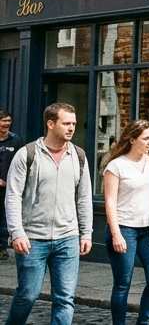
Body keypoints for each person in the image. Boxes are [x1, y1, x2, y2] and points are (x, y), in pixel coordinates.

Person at [5, 103, 93, 325]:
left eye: (73, 123)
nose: (71, 128)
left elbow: (84, 198)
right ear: (50, 123)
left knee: (65, 299)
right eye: (66, 123)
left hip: (68, 238)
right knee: (28, 295)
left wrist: (86, 233)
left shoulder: (79, 156)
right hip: (33, 238)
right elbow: (13, 196)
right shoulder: (27, 154)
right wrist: (17, 233)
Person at [101, 120, 149, 325]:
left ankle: (144, 321)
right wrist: (116, 234)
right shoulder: (116, 166)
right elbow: (110, 202)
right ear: (132, 139)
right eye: (145, 138)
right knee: (123, 283)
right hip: (124, 228)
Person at [0, 110, 19, 261]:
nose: (6, 123)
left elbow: (21, 162)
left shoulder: (16, 140)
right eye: (3, 120)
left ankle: (3, 247)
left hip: (10, 186)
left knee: (7, 215)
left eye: (8, 121)